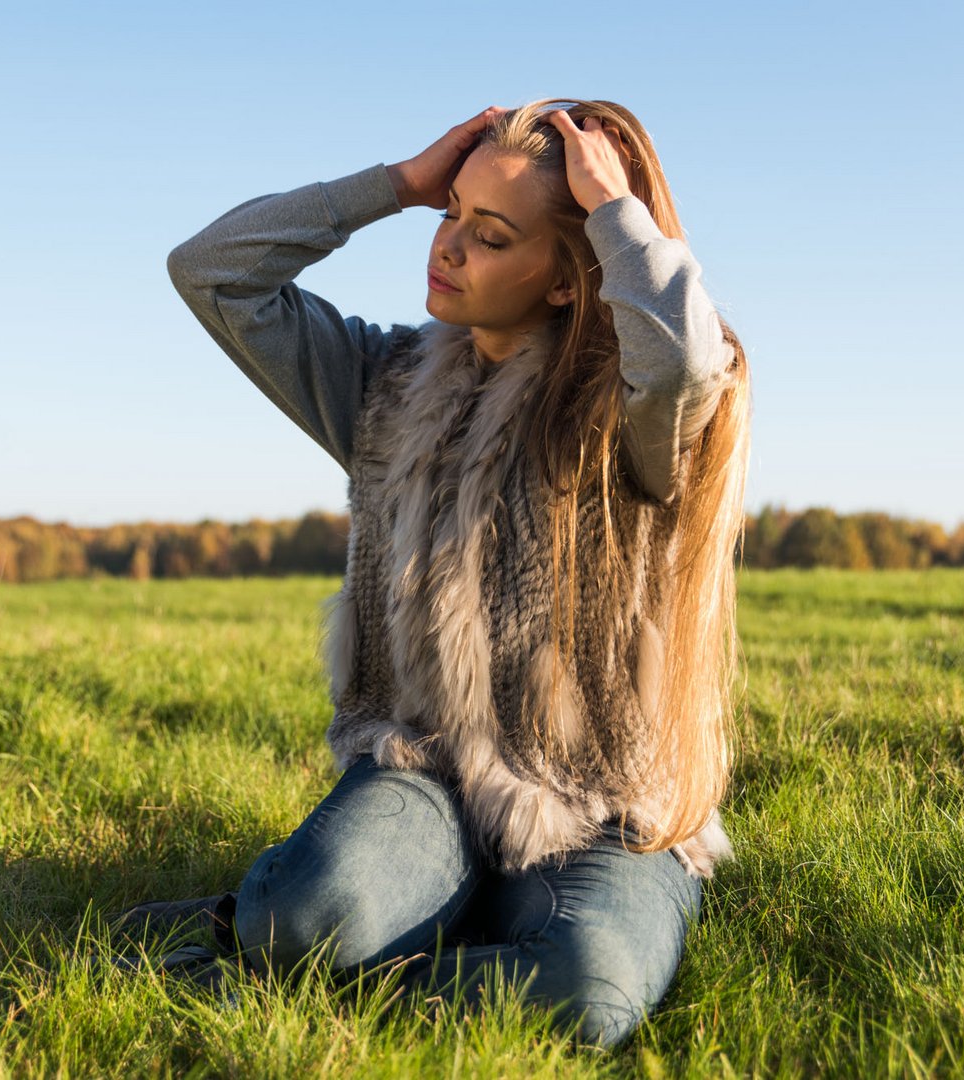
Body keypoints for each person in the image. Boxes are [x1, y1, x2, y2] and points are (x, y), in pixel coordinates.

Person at [119, 98, 752, 1050]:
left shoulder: (633, 422)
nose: (447, 247)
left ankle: (332, 961)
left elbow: (685, 361)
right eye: (450, 215)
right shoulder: (384, 382)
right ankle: (313, 927)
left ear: (569, 282)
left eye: (490, 235)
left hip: (603, 804)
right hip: (428, 778)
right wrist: (397, 185)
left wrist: (617, 211)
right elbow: (213, 274)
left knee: (586, 992)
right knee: (307, 914)